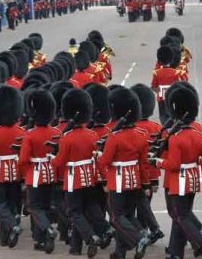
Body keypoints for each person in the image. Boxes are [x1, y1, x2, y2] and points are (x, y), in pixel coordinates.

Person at [151, 86, 202, 259]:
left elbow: (173, 164)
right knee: (181, 214)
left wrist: (157, 161)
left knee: (179, 215)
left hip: (178, 179)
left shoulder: (175, 137)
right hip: (193, 178)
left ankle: (201, 243)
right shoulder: (199, 134)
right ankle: (175, 251)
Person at [97, 87, 151, 259]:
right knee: (127, 216)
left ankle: (139, 237)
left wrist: (98, 157)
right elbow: (143, 163)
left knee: (115, 217)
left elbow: (104, 161)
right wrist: (146, 184)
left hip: (117, 181)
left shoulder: (115, 137)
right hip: (134, 180)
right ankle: (120, 252)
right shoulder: (141, 135)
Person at [50, 89, 103, 256]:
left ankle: (90, 238)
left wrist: (50, 157)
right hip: (90, 178)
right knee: (89, 208)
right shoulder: (93, 135)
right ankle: (76, 247)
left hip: (74, 179)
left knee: (74, 212)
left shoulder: (67, 137)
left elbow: (59, 162)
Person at [0, 85, 25, 248]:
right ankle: (6, 237)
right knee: (13, 203)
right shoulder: (21, 132)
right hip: (15, 172)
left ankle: (12, 226)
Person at [130, 84, 164, 244]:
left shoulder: (131, 129)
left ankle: (141, 232)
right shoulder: (156, 128)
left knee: (132, 206)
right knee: (144, 205)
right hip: (151, 174)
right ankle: (144, 229)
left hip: (133, 173)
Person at [151, 46, 187, 125]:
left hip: (161, 98)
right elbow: (180, 86)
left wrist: (160, 92)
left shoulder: (157, 73)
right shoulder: (176, 72)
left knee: (163, 116)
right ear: (171, 60)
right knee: (173, 115)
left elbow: (153, 87)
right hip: (173, 96)